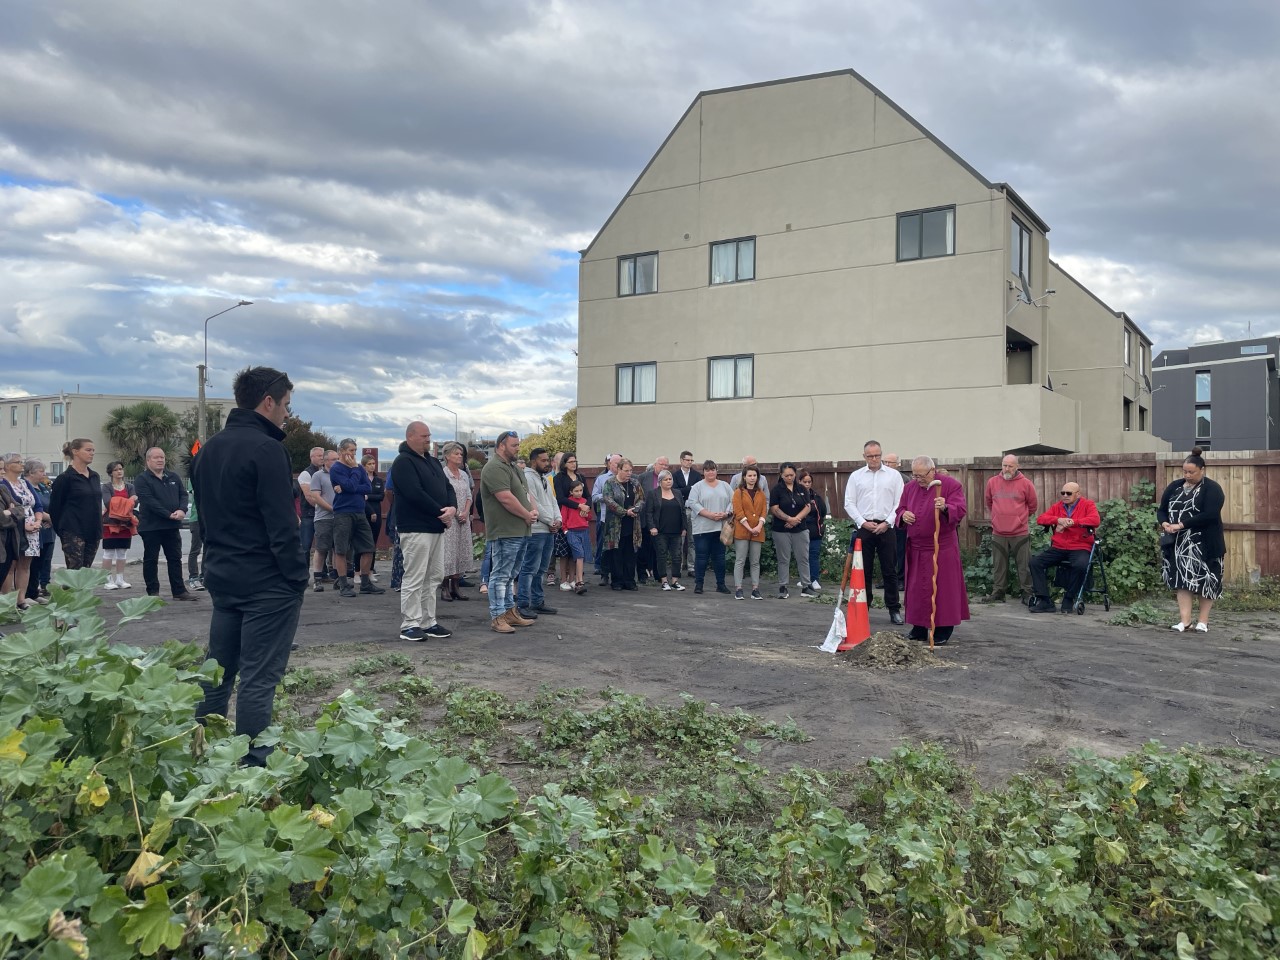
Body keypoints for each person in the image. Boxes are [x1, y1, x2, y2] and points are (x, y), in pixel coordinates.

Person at [192, 366, 308, 767]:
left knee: (218, 671)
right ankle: (253, 766)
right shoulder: (266, 449)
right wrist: (297, 576)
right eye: (286, 406)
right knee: (259, 678)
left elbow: (202, 519)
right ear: (268, 401)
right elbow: (282, 524)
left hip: (224, 576)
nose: (287, 415)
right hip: (267, 582)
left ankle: (198, 754)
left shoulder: (209, 449)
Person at [390, 421, 457, 641]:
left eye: (429, 435)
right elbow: (414, 493)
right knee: (415, 576)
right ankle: (410, 624)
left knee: (434, 576)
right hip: (416, 528)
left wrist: (452, 508)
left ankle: (429, 622)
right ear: (410, 437)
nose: (428, 439)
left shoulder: (432, 461)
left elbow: (447, 487)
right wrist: (441, 512)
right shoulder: (403, 462)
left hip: (436, 528)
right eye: (424, 436)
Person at [897, 457, 970, 644]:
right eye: (915, 475)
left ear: (932, 471)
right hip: (917, 548)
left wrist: (945, 507)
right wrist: (904, 515)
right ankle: (919, 627)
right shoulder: (909, 487)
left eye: (921, 475)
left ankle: (943, 630)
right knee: (916, 590)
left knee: (943, 590)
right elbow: (900, 510)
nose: (918, 479)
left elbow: (960, 509)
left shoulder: (950, 485)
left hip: (941, 548)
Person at [1159, 447, 1225, 633]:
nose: (1187, 475)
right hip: (1179, 544)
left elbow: (1210, 515)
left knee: (1207, 580)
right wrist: (1164, 523)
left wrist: (1181, 524)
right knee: (1182, 580)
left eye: (1191, 472)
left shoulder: (1212, 489)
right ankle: (1185, 621)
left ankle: (1202, 621)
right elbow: (1162, 509)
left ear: (1202, 470)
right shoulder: (1174, 486)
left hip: (1205, 543)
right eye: (1185, 471)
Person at [480, 430, 535, 633]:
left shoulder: (513, 467)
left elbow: (525, 493)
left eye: (518, 445)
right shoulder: (494, 467)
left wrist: (532, 510)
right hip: (505, 530)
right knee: (500, 575)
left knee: (511, 575)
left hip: (520, 528)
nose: (518, 448)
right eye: (514, 445)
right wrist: (526, 514)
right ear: (501, 445)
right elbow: (505, 497)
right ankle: (497, 617)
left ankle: (510, 613)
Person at [843, 440, 903, 622]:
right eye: (870, 456)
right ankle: (863, 608)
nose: (874, 459)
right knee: (863, 570)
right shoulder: (856, 476)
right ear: (864, 457)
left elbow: (900, 503)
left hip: (887, 527)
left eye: (877, 455)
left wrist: (887, 522)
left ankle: (894, 609)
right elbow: (849, 503)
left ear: (881, 455)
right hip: (865, 528)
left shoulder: (893, 476)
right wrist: (862, 522)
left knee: (890, 570)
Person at [135, 447, 198, 602]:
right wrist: (168, 514)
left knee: (175, 558)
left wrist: (182, 510)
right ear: (148, 460)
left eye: (162, 457)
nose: (160, 460)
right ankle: (153, 593)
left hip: (171, 527)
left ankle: (179, 591)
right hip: (151, 527)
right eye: (156, 457)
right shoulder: (142, 479)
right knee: (151, 559)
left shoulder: (173, 477)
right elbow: (149, 501)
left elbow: (183, 495)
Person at [1028, 482, 1100, 614]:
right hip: (1059, 547)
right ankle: (1044, 600)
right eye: (1063, 493)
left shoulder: (1088, 505)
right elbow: (1041, 519)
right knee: (1035, 562)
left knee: (1080, 565)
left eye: (1069, 493)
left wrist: (1074, 522)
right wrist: (1058, 520)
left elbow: (1095, 520)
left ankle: (1069, 597)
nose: (1065, 496)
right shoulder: (1058, 507)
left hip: (1080, 546)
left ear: (1078, 494)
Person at [329, 439, 383, 598]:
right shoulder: (336, 469)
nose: (353, 454)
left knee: (368, 547)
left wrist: (346, 487)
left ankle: (365, 583)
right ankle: (343, 584)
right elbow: (353, 486)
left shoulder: (359, 467)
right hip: (343, 513)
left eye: (355, 450)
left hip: (360, 511)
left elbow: (367, 487)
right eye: (350, 450)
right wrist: (352, 476)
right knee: (341, 549)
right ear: (341, 451)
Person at [983, 454, 1038, 603]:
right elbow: (989, 502)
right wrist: (997, 518)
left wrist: (1020, 519)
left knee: (1024, 565)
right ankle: (998, 592)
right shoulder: (992, 482)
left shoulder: (1026, 484)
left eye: (1010, 466)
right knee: (999, 565)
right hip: (998, 531)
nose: (1007, 469)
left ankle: (1027, 593)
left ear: (1017, 467)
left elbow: (1033, 506)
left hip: (1019, 532)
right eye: (1004, 465)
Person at [518, 447, 561, 616]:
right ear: (533, 461)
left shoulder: (544, 479)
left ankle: (537, 601)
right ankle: (523, 603)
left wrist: (558, 520)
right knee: (529, 568)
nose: (547, 463)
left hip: (548, 530)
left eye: (548, 460)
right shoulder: (528, 477)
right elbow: (532, 502)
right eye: (543, 460)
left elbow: (553, 501)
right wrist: (551, 521)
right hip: (536, 530)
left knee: (541, 569)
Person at [48, 438, 101, 570]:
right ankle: (68, 592)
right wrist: (62, 530)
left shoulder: (95, 476)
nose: (92, 453)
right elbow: (55, 508)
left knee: (86, 571)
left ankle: (83, 592)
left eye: (93, 450)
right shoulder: (65, 478)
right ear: (75, 451)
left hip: (93, 530)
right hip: (73, 530)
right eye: (88, 450)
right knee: (74, 571)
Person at [0, 452, 44, 608]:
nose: (21, 464)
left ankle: (21, 600)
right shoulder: (3, 484)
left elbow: (37, 505)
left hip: (33, 527)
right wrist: (22, 522)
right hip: (15, 528)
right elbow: (12, 508)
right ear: (7, 465)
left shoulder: (25, 483)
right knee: (10, 564)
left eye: (21, 461)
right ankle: (6, 601)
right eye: (17, 462)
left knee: (25, 565)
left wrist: (38, 521)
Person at [686, 459, 732, 594]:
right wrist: (710, 515)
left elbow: (733, 501)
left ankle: (721, 584)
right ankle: (699, 584)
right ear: (703, 472)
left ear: (716, 471)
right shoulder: (697, 487)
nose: (710, 472)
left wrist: (726, 513)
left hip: (721, 528)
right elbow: (693, 504)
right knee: (701, 557)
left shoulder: (725, 486)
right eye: (707, 470)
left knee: (720, 558)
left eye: (712, 469)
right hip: (702, 528)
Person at [771, 462, 815, 599]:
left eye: (791, 475)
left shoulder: (801, 488)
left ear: (795, 474)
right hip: (781, 529)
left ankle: (806, 586)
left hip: (800, 528)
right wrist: (788, 519)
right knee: (783, 558)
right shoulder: (777, 490)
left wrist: (796, 519)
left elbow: (807, 506)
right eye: (786, 475)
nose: (789, 477)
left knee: (803, 557)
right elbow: (774, 508)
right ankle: (783, 586)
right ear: (781, 475)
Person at [601, 458, 644, 591]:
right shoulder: (610, 483)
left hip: (632, 524)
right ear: (619, 470)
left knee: (630, 553)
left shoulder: (635, 483)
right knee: (616, 553)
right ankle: (617, 581)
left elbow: (642, 499)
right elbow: (609, 501)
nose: (629, 473)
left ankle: (630, 581)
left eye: (631, 470)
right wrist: (625, 512)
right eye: (626, 470)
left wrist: (635, 509)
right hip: (615, 525)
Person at [643, 468, 689, 592]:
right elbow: (649, 512)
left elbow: (683, 512)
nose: (669, 481)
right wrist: (652, 526)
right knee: (661, 556)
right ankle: (664, 581)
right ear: (660, 481)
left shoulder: (677, 493)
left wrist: (684, 527)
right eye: (666, 480)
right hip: (660, 531)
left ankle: (675, 581)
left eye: (670, 479)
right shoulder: (653, 494)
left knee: (677, 556)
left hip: (676, 531)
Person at [439, 441, 473, 603]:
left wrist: (465, 512)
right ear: (447, 456)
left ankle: (456, 586)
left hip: (463, 519)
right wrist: (453, 512)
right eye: (456, 454)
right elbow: (441, 496)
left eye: (461, 454)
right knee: (448, 552)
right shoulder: (442, 474)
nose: (459, 456)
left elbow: (469, 496)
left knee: (460, 551)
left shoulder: (464, 474)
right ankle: (444, 587)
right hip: (449, 519)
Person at [98, 460, 136, 590]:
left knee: (122, 552)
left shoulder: (130, 487)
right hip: (110, 523)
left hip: (126, 523)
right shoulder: (106, 487)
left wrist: (121, 503)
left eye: (120, 469)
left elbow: (135, 504)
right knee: (108, 552)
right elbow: (109, 503)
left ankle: (120, 579)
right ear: (110, 473)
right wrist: (127, 502)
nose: (119, 471)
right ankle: (107, 580)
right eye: (116, 470)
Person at [731, 465, 767, 599]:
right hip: (742, 530)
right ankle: (738, 588)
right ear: (744, 477)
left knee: (755, 561)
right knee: (740, 560)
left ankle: (755, 589)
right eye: (750, 475)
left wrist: (759, 525)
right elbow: (738, 512)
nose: (752, 478)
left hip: (758, 531)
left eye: (754, 476)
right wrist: (749, 527)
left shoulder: (761, 493)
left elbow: (764, 510)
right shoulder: (738, 492)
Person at [22, 460, 55, 603]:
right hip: (35, 528)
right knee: (31, 563)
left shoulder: (44, 487)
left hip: (48, 530)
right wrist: (49, 518)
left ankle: (36, 591)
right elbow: (36, 507)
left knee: (44, 561)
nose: (45, 474)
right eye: (41, 471)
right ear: (31, 472)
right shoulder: (26, 487)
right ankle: (27, 594)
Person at [308, 450, 339, 591]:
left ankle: (339, 578)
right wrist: (332, 508)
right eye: (333, 459)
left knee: (339, 549)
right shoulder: (317, 475)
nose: (337, 461)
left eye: (338, 459)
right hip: (323, 518)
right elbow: (316, 497)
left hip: (340, 517)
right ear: (325, 461)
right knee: (321, 549)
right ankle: (317, 579)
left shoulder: (341, 475)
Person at [635, 456, 669, 584]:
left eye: (666, 465)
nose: (664, 467)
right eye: (662, 464)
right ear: (655, 465)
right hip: (645, 517)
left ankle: (659, 574)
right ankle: (642, 574)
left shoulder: (668, 479)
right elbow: (637, 495)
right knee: (643, 548)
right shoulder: (644, 477)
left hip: (661, 519)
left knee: (658, 549)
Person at [553, 452, 583, 589]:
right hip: (565, 517)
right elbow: (560, 498)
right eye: (570, 462)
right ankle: (563, 580)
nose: (573, 464)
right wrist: (578, 505)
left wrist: (585, 506)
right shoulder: (559, 478)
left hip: (579, 519)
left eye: (575, 461)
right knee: (564, 551)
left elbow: (587, 495)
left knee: (574, 551)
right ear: (564, 463)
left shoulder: (580, 477)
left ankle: (573, 578)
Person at [559, 478, 592, 594]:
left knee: (581, 556)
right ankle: (579, 582)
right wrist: (566, 530)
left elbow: (589, 517)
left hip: (584, 531)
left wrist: (586, 513)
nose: (579, 493)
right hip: (572, 531)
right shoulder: (569, 503)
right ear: (571, 492)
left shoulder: (585, 502)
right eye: (576, 491)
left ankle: (576, 580)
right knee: (579, 554)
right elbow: (563, 518)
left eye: (581, 490)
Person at [591, 454, 621, 582]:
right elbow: (594, 496)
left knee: (619, 548)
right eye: (616, 464)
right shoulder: (601, 479)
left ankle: (618, 574)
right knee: (605, 547)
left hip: (621, 518)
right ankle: (604, 574)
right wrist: (607, 498)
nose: (618, 467)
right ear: (610, 464)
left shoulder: (625, 478)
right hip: (606, 518)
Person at [797, 469, 827, 591]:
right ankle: (805, 579)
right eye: (805, 482)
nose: (807, 484)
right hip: (800, 530)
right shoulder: (795, 496)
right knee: (802, 556)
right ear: (799, 482)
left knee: (813, 555)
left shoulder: (816, 497)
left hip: (815, 532)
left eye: (809, 482)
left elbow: (823, 512)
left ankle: (814, 579)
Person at [672, 450, 697, 575]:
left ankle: (692, 567)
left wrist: (684, 491)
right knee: (680, 539)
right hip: (679, 510)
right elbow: (675, 491)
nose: (689, 462)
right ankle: (679, 566)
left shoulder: (696, 475)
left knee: (692, 539)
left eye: (691, 460)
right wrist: (688, 489)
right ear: (681, 460)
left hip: (693, 510)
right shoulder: (675, 475)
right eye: (687, 460)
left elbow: (697, 492)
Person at [297, 446, 324, 560]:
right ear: (311, 457)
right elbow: (309, 496)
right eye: (319, 456)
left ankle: (322, 573)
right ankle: (304, 573)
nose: (321, 458)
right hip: (309, 514)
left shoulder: (325, 472)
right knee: (305, 545)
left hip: (322, 514)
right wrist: (323, 508)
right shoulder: (306, 473)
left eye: (323, 456)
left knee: (323, 546)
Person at [363, 454, 386, 579]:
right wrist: (366, 497)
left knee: (373, 542)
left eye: (373, 463)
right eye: (369, 464)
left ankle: (371, 569)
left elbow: (381, 496)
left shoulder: (378, 480)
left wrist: (368, 496)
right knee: (362, 542)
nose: (372, 466)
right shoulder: (361, 478)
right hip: (363, 512)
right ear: (364, 466)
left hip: (376, 513)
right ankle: (360, 570)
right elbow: (361, 495)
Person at [184, 478, 205, 591]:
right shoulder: (195, 475)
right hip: (196, 518)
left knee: (209, 549)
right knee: (196, 549)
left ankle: (204, 576)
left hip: (210, 519)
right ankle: (193, 577)